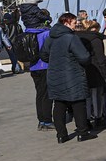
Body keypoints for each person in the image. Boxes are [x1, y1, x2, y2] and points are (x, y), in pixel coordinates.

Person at [41, 13, 96, 143]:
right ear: (66, 23)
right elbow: (84, 57)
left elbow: (43, 55)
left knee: (59, 103)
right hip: (72, 73)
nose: (76, 24)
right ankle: (82, 132)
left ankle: (61, 135)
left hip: (54, 74)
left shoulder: (51, 37)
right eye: (73, 22)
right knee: (78, 102)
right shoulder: (71, 38)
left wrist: (56, 62)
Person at [21, 5, 54, 131]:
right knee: (46, 94)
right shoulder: (46, 33)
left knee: (39, 94)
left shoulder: (28, 32)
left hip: (33, 66)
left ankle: (41, 120)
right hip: (45, 66)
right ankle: (47, 120)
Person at [76, 20, 106, 129]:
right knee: (97, 95)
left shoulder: (76, 38)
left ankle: (86, 119)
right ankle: (98, 118)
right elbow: (101, 59)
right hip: (95, 70)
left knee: (87, 97)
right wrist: (105, 73)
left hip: (82, 70)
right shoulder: (95, 39)